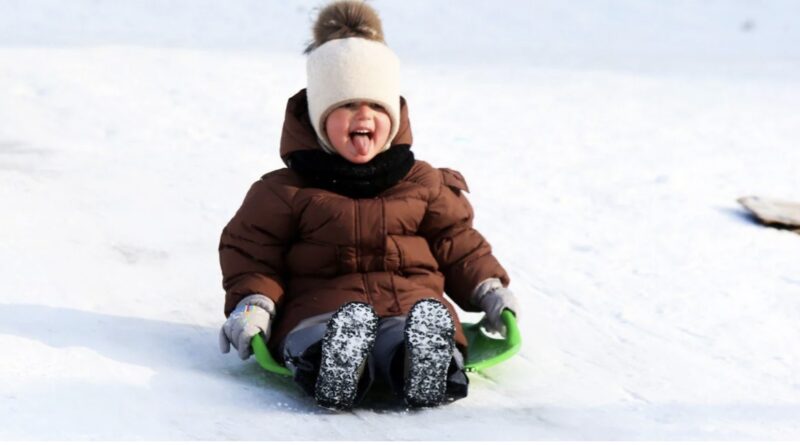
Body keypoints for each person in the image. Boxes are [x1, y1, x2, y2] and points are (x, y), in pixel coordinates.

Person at [218, 0, 518, 410]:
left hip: (411, 306)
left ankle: (422, 363)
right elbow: (252, 256)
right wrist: (253, 303)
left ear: (394, 116)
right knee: (322, 334)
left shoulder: (423, 183)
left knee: (416, 329)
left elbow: (458, 243)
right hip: (320, 308)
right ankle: (335, 366)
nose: (365, 115)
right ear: (319, 117)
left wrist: (489, 289)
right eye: (346, 105)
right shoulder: (284, 192)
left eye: (378, 105)